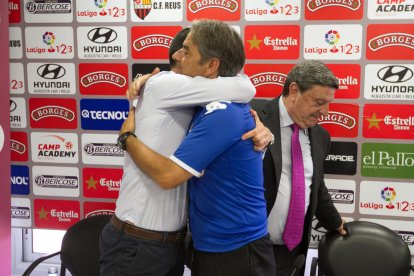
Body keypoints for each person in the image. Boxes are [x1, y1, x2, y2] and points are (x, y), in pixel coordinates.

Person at [99, 21, 273, 276]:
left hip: (170, 244)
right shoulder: (163, 84)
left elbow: (242, 95)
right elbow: (246, 87)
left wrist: (264, 132)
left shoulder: (206, 104)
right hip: (136, 242)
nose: (176, 55)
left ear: (211, 64)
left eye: (186, 51)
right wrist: (126, 138)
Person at [248, 60, 346, 276]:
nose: (325, 112)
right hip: (243, 250)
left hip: (289, 256)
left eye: (328, 103)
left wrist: (336, 223)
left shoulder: (321, 136)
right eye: (319, 102)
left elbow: (315, 186)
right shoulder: (249, 114)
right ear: (294, 90)